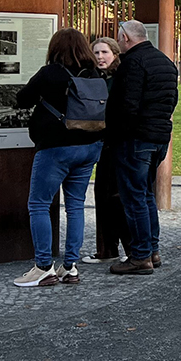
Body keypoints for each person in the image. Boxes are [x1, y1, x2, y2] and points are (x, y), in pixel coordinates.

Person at [12, 29, 105, 288]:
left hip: (56, 148)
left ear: (55, 48)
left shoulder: (50, 73)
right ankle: (70, 267)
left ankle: (43, 267)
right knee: (75, 205)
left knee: (39, 204)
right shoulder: (94, 74)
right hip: (89, 146)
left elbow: (22, 99)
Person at [107, 20, 180, 275]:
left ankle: (140, 256)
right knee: (146, 195)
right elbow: (172, 100)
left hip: (135, 139)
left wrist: (116, 135)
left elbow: (127, 104)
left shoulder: (132, 63)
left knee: (134, 197)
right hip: (159, 137)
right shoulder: (165, 62)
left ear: (126, 38)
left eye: (118, 37)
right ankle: (152, 250)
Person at [83, 36, 125, 264]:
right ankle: (107, 247)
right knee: (102, 194)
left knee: (116, 195)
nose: (100, 57)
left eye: (104, 53)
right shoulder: (93, 76)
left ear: (115, 54)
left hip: (116, 142)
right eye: (96, 53)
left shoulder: (119, 77)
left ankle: (123, 246)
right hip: (101, 140)